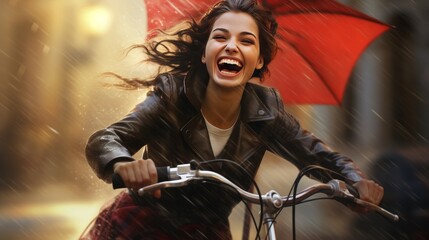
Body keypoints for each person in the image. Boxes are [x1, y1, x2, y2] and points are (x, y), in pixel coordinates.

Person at [83, 0, 384, 239]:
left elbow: (318, 156)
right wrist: (123, 164)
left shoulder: (267, 113)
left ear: (260, 61)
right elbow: (105, 140)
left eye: (247, 41)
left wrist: (356, 184)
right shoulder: (172, 95)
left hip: (209, 232)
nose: (231, 46)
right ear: (205, 53)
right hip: (146, 227)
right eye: (220, 37)